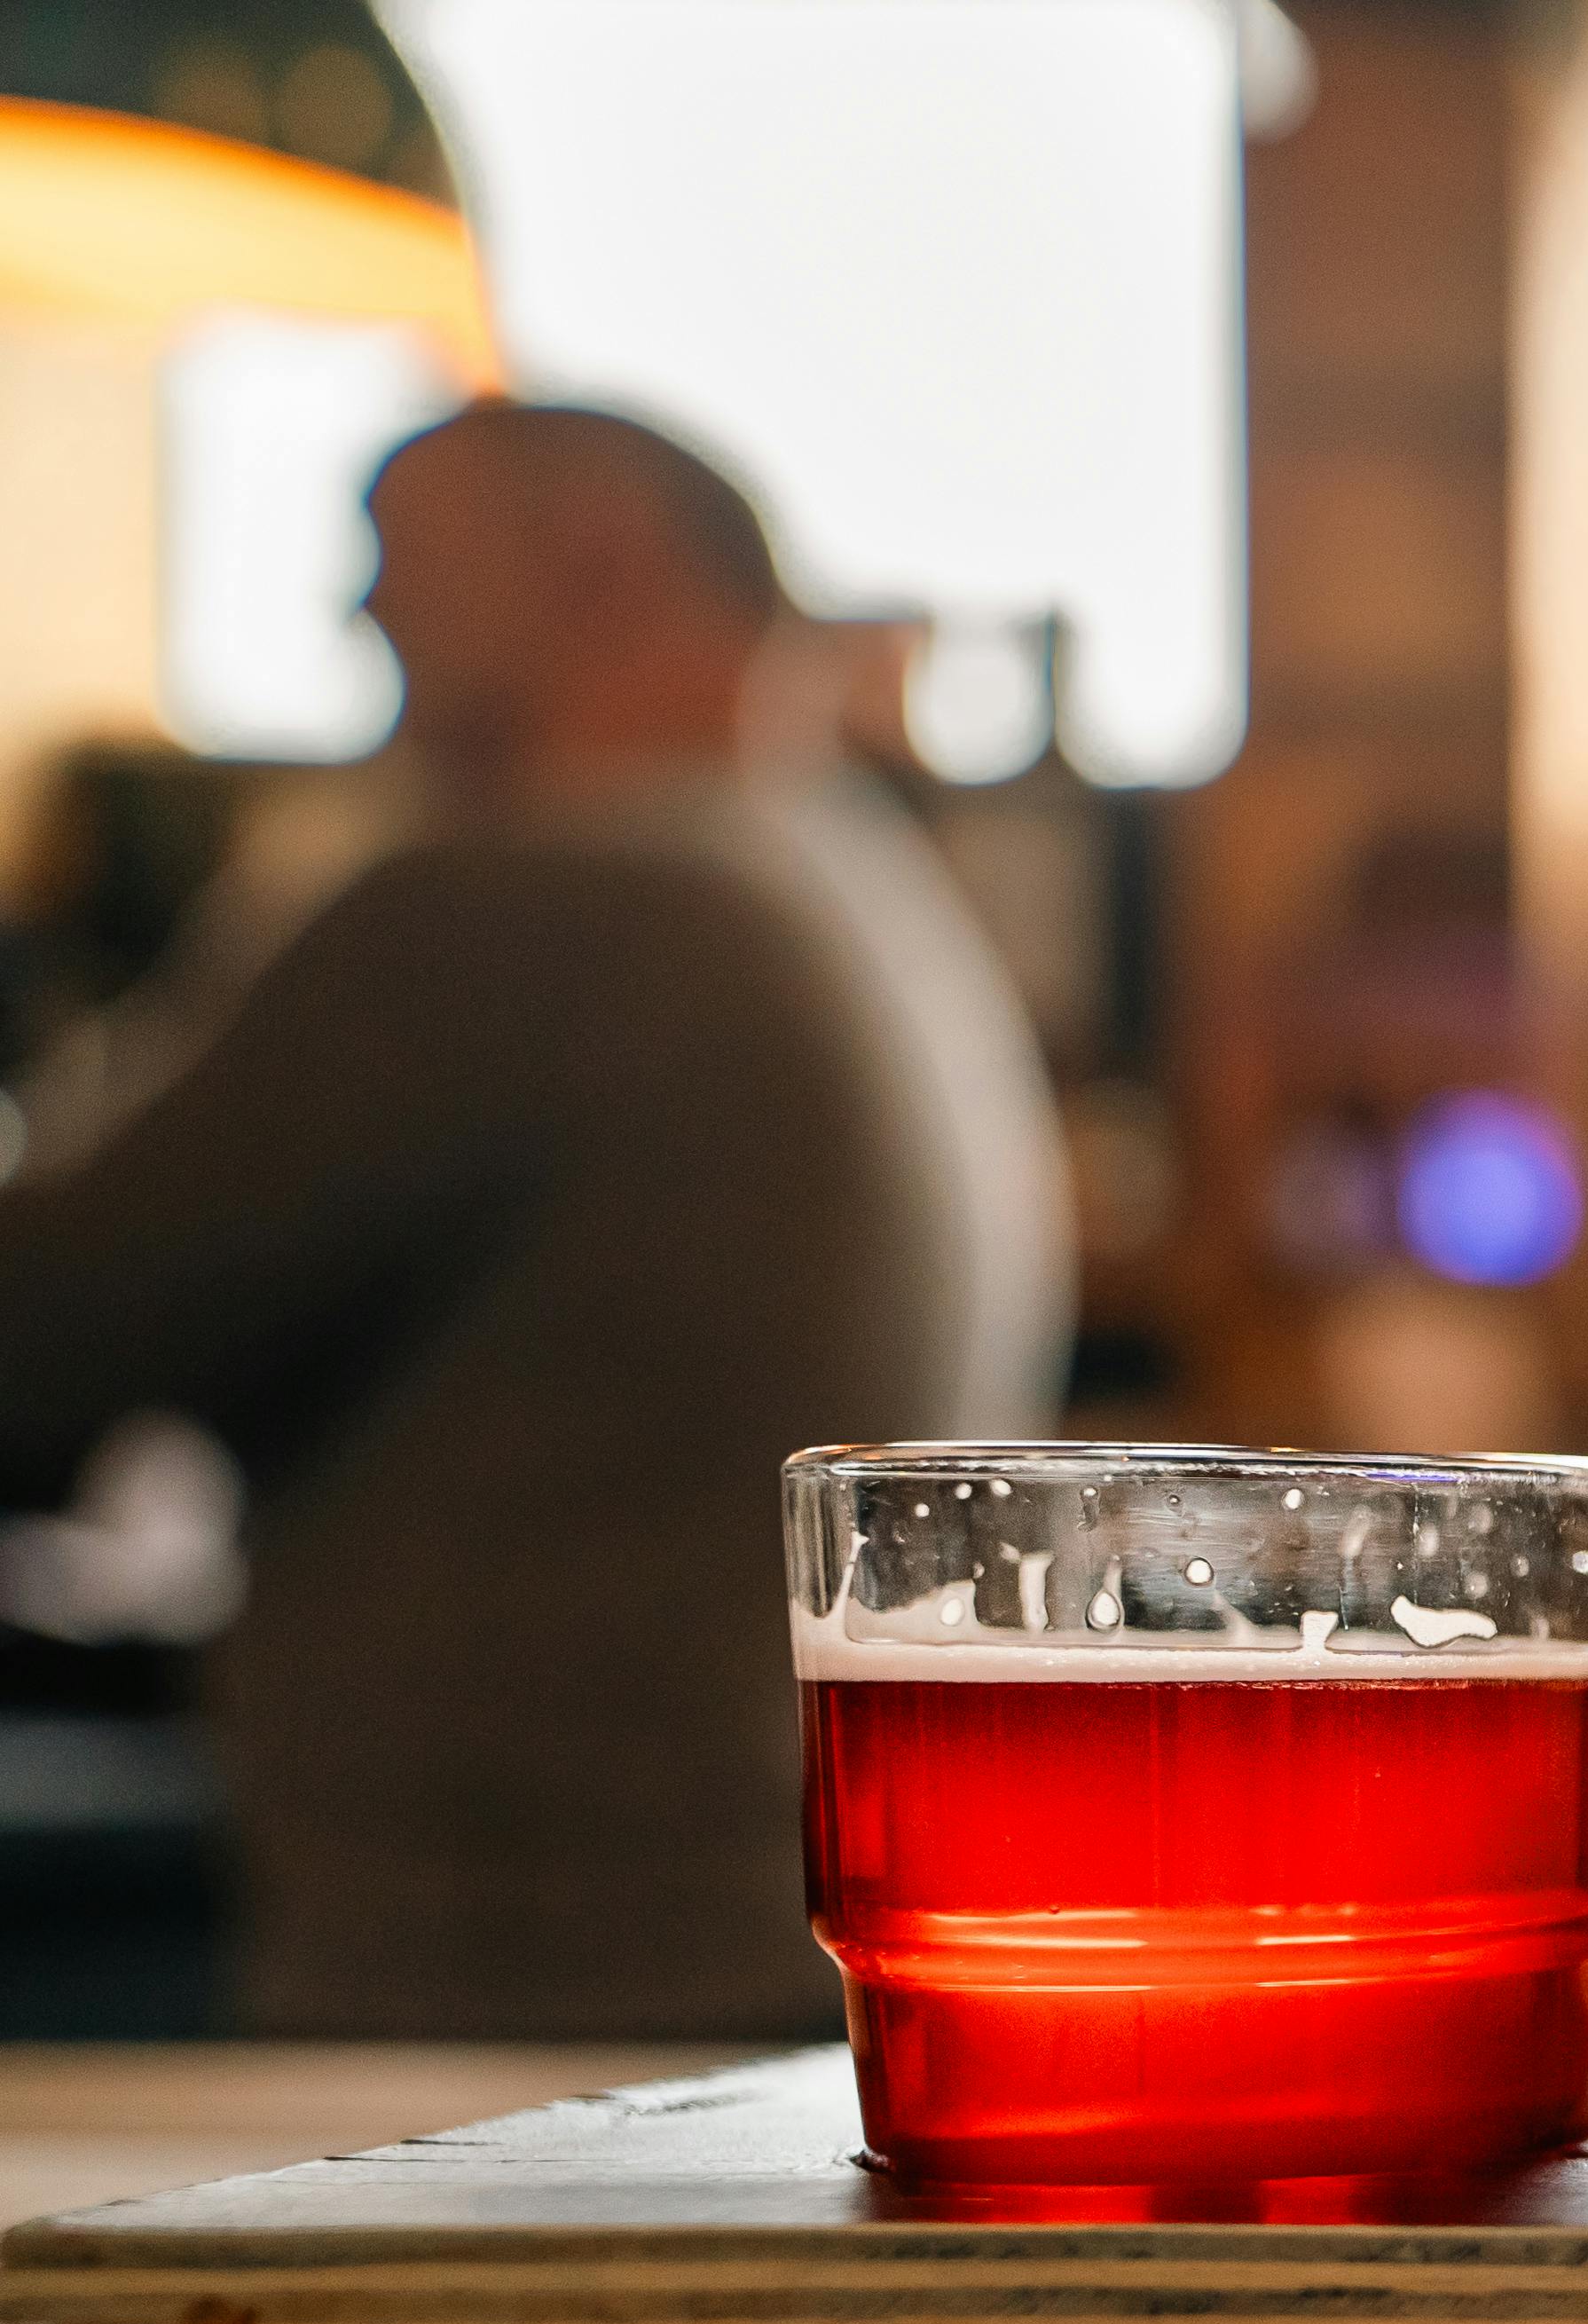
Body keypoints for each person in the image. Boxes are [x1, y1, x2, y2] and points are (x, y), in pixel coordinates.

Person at [0, 400, 1069, 2037]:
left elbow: (43, 1320)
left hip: (508, 1987)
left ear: (593, 563)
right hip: (740, 1945)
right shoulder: (844, 878)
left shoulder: (545, 902)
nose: (355, 612)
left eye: (393, 555)